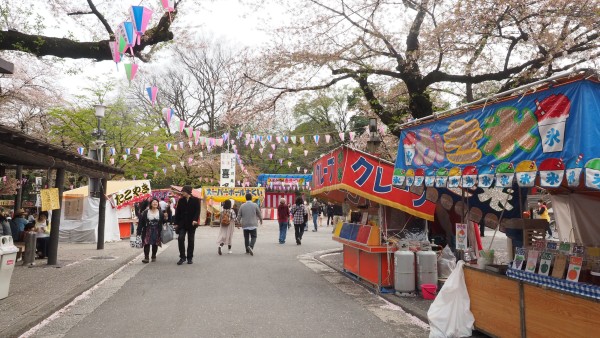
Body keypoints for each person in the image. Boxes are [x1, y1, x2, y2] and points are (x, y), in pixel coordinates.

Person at [174, 185, 200, 265]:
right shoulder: (181, 200)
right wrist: (176, 223)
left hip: (192, 223)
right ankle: (182, 257)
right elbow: (177, 212)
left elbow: (197, 211)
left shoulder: (196, 200)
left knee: (191, 240)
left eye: (183, 191)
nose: (182, 193)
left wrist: (195, 220)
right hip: (182, 223)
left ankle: (190, 257)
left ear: (188, 192)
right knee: (180, 238)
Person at [137, 198, 164, 263]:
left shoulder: (160, 212)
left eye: (156, 202)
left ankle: (153, 255)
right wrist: (139, 232)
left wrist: (166, 218)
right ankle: (146, 257)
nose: (155, 203)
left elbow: (163, 222)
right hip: (147, 229)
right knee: (146, 243)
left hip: (157, 229)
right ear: (151, 204)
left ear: (158, 204)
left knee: (155, 243)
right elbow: (141, 222)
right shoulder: (146, 212)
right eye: (153, 202)